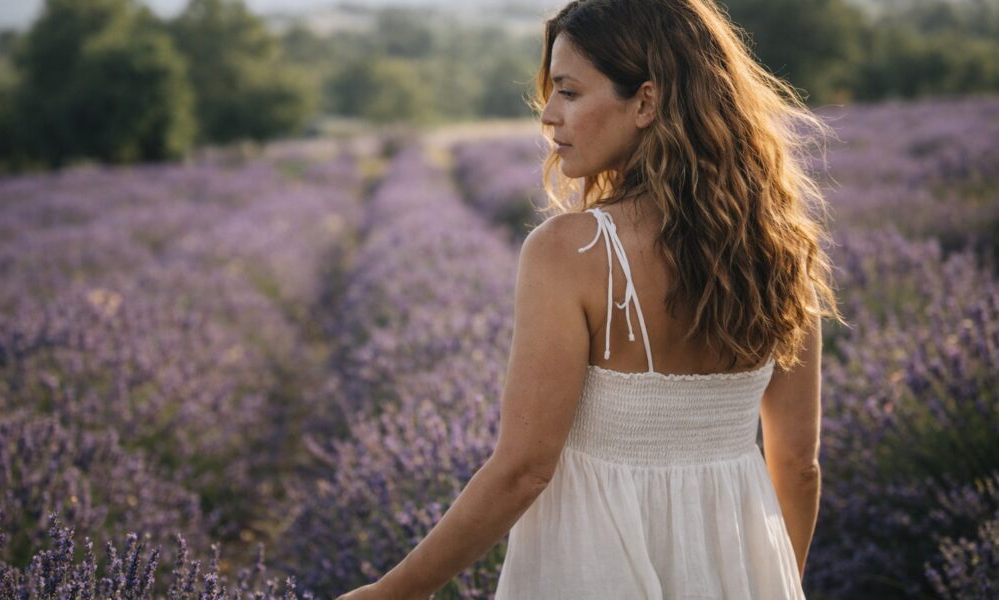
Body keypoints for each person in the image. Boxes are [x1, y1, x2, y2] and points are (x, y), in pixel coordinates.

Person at [336, 0, 846, 598]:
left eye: (570, 93)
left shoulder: (568, 252)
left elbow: (523, 470)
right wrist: (777, 579)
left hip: (596, 565)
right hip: (743, 570)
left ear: (646, 102)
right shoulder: (783, 249)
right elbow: (799, 466)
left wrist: (391, 592)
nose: (548, 116)